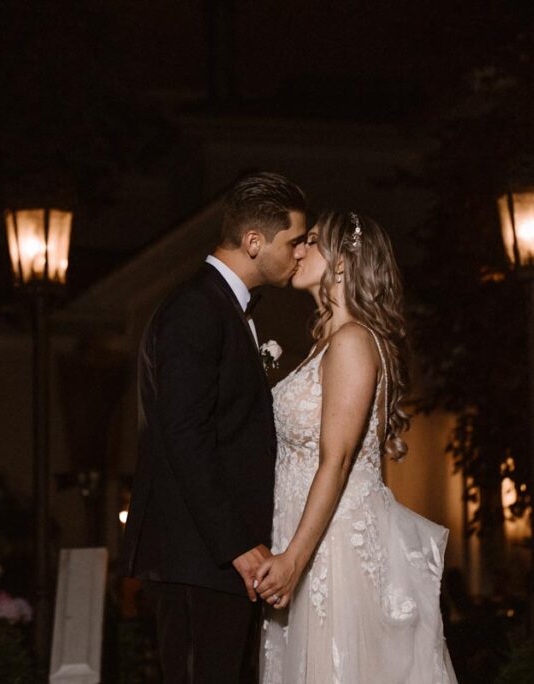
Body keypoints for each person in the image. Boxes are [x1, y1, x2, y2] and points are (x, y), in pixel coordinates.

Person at [120, 171, 308, 683]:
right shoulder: (195, 310)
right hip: (197, 557)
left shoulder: (220, 308)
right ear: (253, 242)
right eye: (292, 241)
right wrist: (236, 546)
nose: (299, 253)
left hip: (212, 558)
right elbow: (184, 435)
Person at [255, 211, 458, 683]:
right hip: (307, 536)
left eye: (311, 243)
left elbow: (339, 459)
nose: (298, 251)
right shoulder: (330, 342)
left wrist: (293, 561)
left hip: (331, 551)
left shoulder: (352, 342)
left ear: (343, 262)